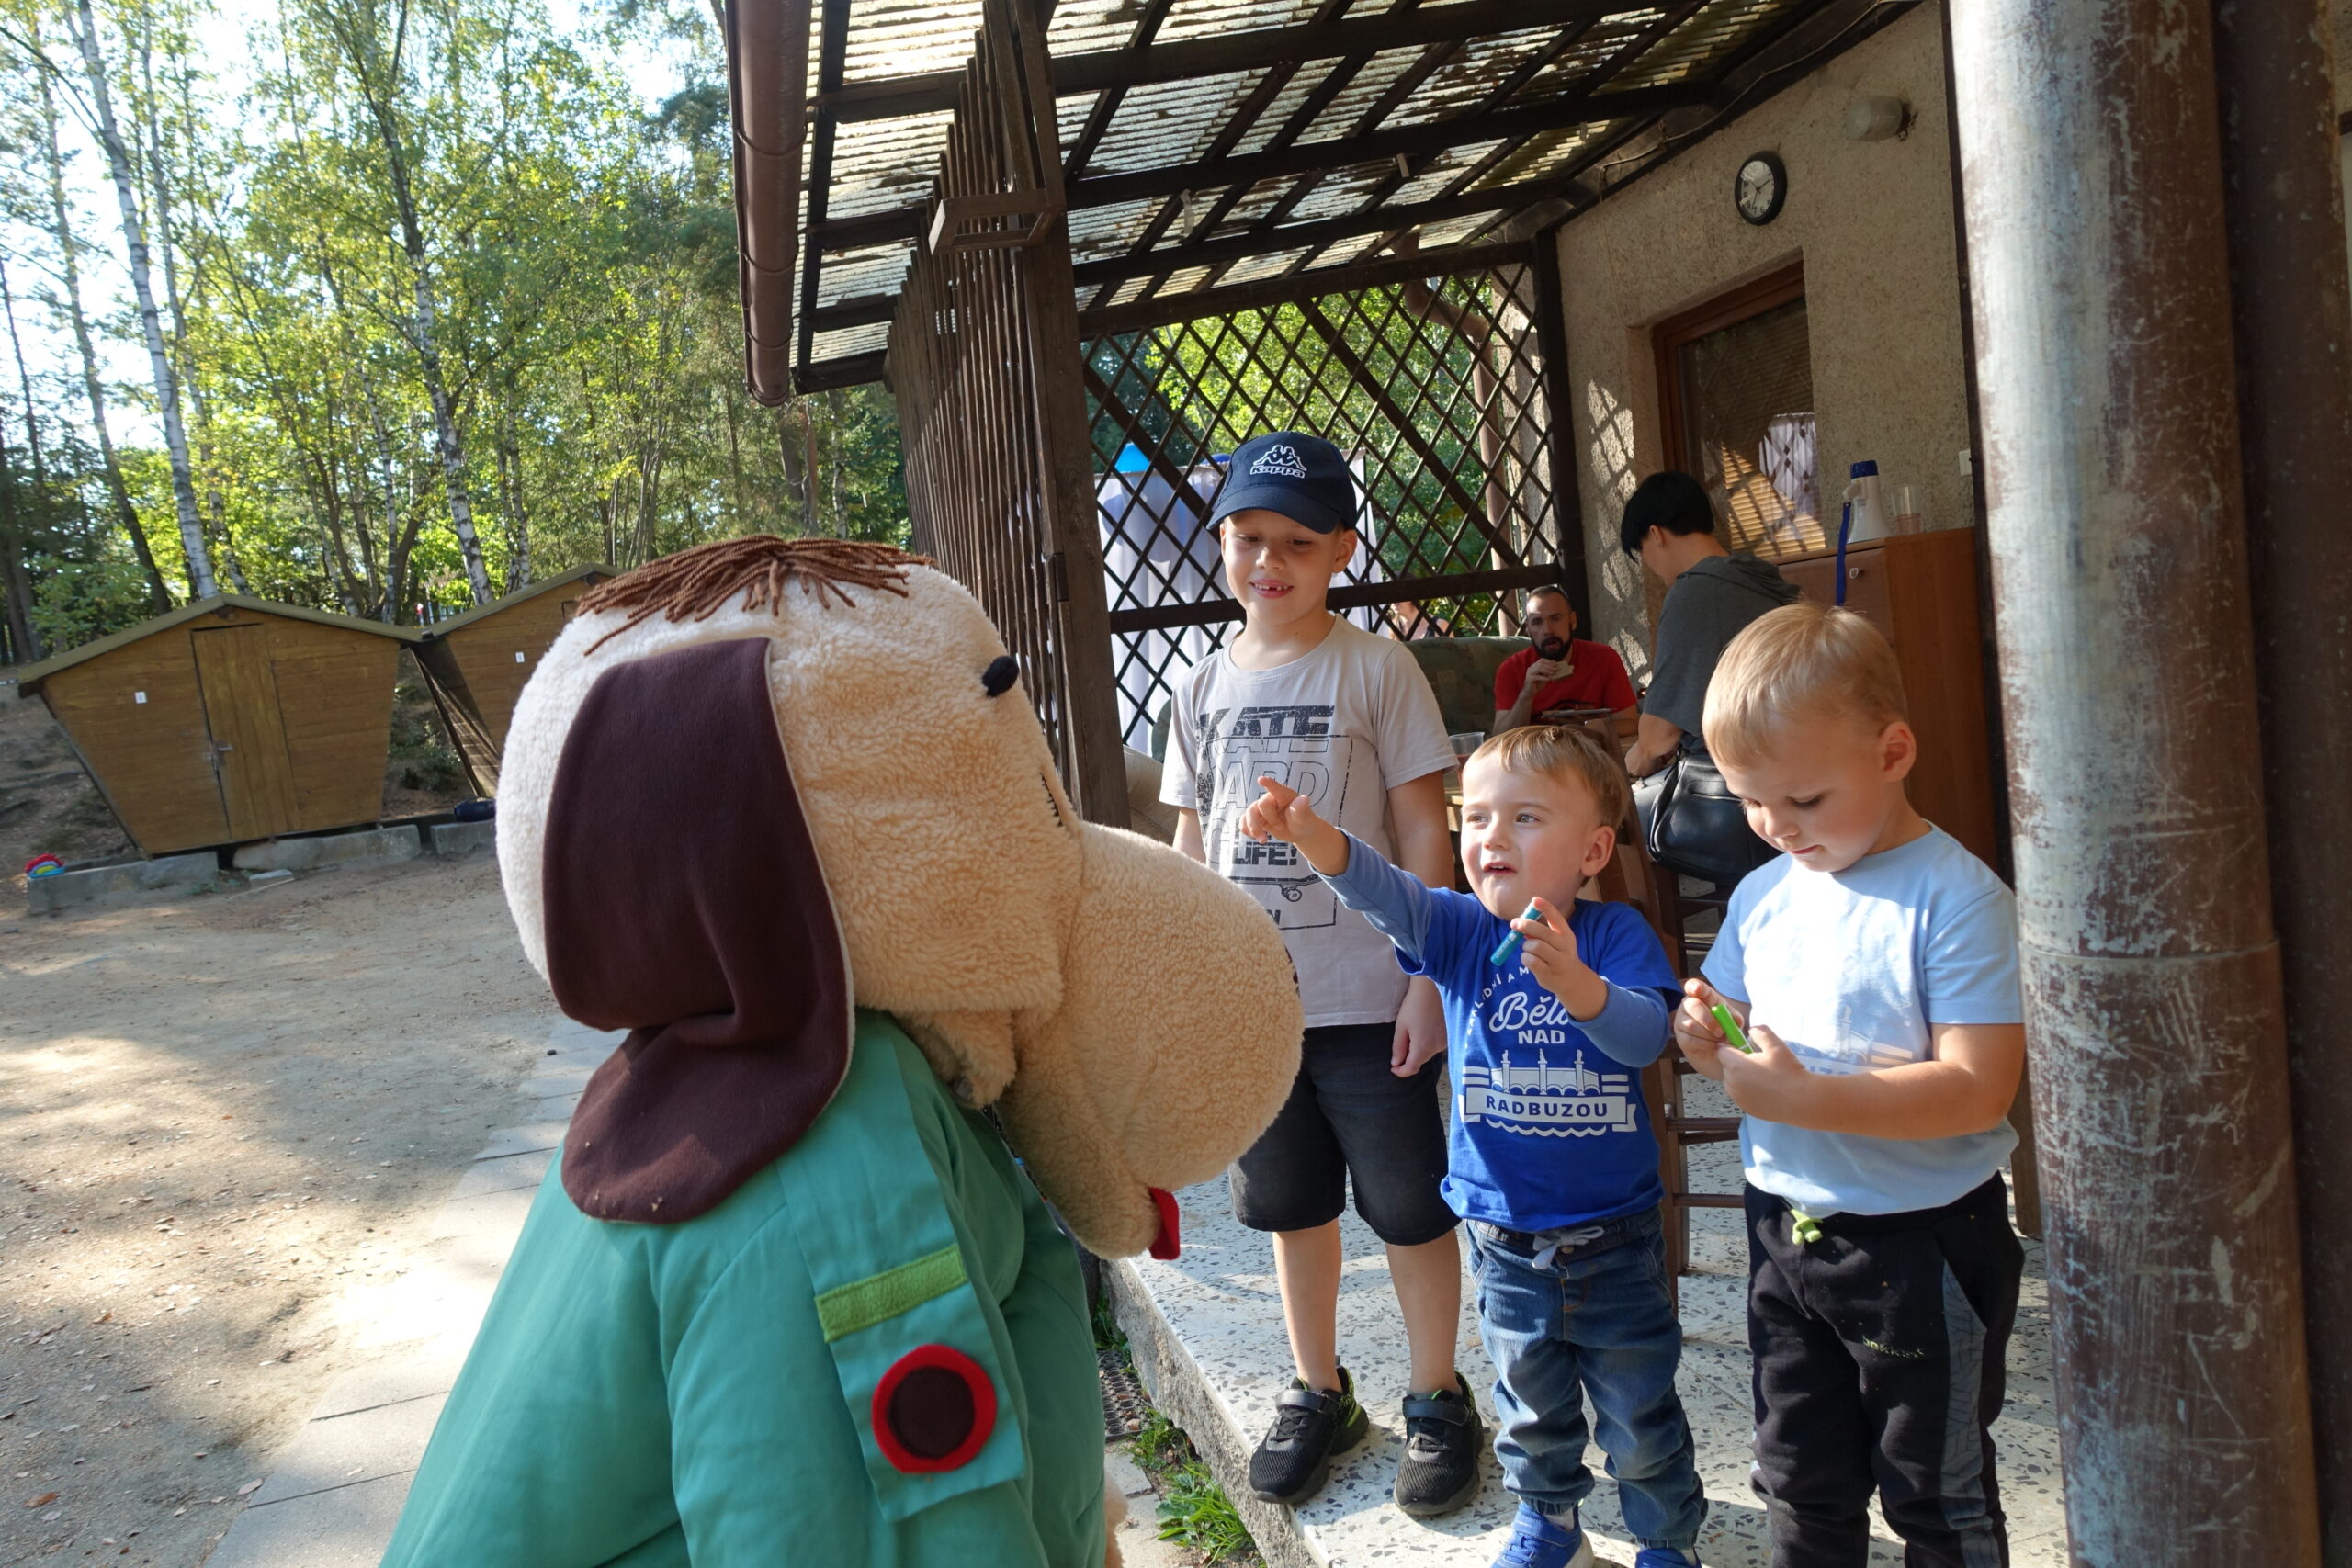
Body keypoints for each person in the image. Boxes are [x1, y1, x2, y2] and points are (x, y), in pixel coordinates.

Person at [1241, 724, 1706, 1568]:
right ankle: (1551, 1523)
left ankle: (1664, 1540)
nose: (1492, 836)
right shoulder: (1459, 933)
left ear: (1593, 849)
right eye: (1478, 817)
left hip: (1615, 1236)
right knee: (1530, 1408)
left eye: (1525, 817)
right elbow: (1387, 893)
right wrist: (1315, 838)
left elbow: (1646, 1039)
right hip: (1504, 1238)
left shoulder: (1614, 938)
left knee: (1640, 1415)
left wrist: (1584, 987)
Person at [1160, 430, 1477, 1517]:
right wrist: (1194, 986)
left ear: (1341, 547)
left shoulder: (1375, 666)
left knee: (1408, 1209)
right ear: (1221, 541)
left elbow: (1424, 830)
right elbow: (1191, 850)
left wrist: (1428, 976)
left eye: (1295, 541)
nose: (1268, 562)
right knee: (1291, 1209)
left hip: (1370, 1000)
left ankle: (1437, 1395)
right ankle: (1318, 1389)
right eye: (1248, 538)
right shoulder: (1197, 684)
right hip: (1256, 1010)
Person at [1673, 603, 2025, 1568]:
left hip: (1923, 1246)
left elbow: (1977, 1089)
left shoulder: (1955, 899)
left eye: (1805, 800)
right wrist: (1706, 1036)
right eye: (1752, 801)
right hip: (1786, 1229)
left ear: (1894, 751)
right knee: (1797, 1472)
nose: (1777, 828)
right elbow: (1730, 1025)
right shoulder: (1764, 893)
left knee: (1933, 1490)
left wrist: (1801, 1098)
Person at [1618, 470, 1799, 779]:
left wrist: (1631, 763)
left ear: (1656, 534)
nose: (1649, 564)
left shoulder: (1693, 591)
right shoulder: (1760, 579)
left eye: (1643, 550)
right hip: (1790, 759)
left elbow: (1657, 737)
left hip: (1737, 780)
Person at [1492, 585, 1637, 734]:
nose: (1548, 630)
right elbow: (1500, 738)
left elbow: (1630, 723)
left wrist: (1581, 732)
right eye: (1537, 622)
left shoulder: (1604, 658)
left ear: (1572, 621)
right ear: (1528, 629)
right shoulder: (1511, 669)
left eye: (1555, 619)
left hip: (1592, 750)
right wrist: (1526, 695)